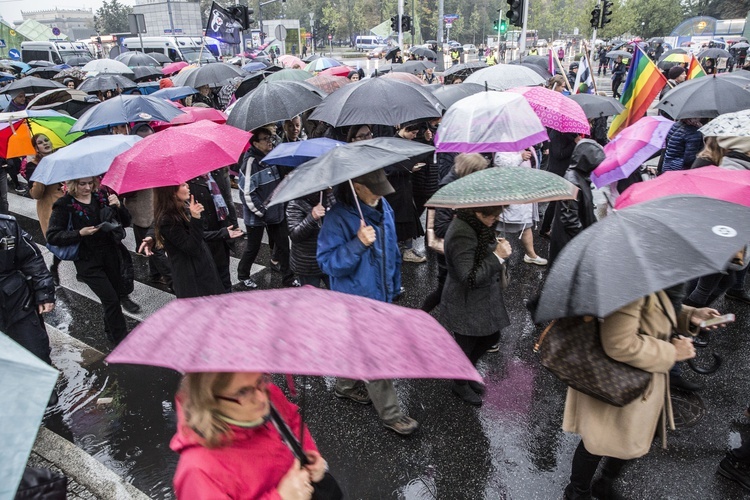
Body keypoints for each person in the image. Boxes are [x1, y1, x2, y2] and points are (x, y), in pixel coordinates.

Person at [562, 291, 721, 499]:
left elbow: (657, 309)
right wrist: (671, 352)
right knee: (598, 438)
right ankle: (578, 492)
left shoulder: (653, 272)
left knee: (638, 432)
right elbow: (618, 343)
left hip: (643, 377)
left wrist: (690, 315)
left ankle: (604, 483)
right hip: (618, 377)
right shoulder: (630, 282)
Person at [317, 170, 419, 436]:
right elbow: (327, 262)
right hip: (354, 301)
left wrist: (395, 286)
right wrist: (358, 244)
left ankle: (346, 386)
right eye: (374, 188)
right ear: (357, 187)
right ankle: (392, 414)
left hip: (381, 294)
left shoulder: (383, 206)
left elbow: (392, 251)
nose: (381, 194)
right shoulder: (337, 217)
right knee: (376, 356)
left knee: (355, 346)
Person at [170, 371, 327, 498]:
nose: (261, 398)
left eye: (260, 380)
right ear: (209, 400)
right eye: (243, 392)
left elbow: (292, 420)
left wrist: (308, 454)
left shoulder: (267, 394)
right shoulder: (198, 472)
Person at [46, 177, 134, 344]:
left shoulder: (101, 196)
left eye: (90, 183)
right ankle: (121, 340)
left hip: (110, 256)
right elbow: (52, 236)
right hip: (88, 262)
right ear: (73, 184)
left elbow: (126, 221)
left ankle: (111, 331)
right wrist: (79, 233)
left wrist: (118, 206)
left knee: (114, 297)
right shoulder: (64, 205)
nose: (87, 187)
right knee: (111, 300)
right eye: (82, 184)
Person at [440, 204, 512, 406]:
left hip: (482, 297)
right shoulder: (461, 233)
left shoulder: (477, 223)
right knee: (466, 344)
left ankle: (467, 372)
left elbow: (478, 253)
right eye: (492, 217)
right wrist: (497, 255)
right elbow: (469, 277)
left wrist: (493, 245)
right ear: (479, 213)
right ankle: (460, 383)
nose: (494, 220)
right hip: (465, 299)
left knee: (491, 336)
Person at [422, 154, 490, 313]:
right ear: (470, 172)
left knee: (455, 290)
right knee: (444, 289)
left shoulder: (465, 184)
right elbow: (440, 227)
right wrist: (469, 226)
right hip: (450, 251)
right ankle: (421, 315)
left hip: (462, 248)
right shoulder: (448, 189)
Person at [153, 183, 240, 298]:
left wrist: (222, 233)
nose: (188, 186)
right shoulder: (167, 219)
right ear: (172, 193)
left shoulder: (181, 207)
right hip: (191, 276)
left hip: (201, 268)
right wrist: (195, 218)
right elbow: (191, 246)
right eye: (183, 185)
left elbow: (198, 236)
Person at [237, 127, 299, 288]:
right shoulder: (250, 162)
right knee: (253, 247)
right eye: (265, 139)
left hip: (276, 212)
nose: (270, 141)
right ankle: (243, 275)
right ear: (256, 143)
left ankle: (288, 277)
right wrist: (262, 212)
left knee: (284, 245)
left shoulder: (272, 156)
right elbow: (246, 194)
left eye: (270, 137)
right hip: (257, 216)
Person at [0, 215, 55, 365]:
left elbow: (31, 258)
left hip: (18, 303)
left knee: (37, 354)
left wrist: (44, 292)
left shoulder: (7, 226)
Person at [549, 139, 605, 264]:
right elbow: (569, 219)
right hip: (569, 243)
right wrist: (583, 241)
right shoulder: (573, 181)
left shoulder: (581, 177)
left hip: (575, 241)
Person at [493, 149, 547, 266]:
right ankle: (490, 252)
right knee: (496, 225)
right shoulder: (504, 143)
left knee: (526, 225)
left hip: (522, 193)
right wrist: (520, 157)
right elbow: (500, 162)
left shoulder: (523, 144)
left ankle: (531, 255)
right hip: (510, 193)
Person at [385, 123, 427, 263]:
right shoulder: (391, 144)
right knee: (399, 220)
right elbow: (387, 168)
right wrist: (409, 169)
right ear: (405, 129)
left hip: (404, 187)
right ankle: (402, 251)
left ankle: (405, 250)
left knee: (406, 218)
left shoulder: (404, 142)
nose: (414, 136)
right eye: (413, 133)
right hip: (395, 189)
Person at [27, 133, 63, 286]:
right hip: (49, 207)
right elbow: (36, 194)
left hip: (67, 203)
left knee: (76, 236)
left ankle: (82, 269)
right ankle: (54, 268)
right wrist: (41, 171)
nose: (45, 144)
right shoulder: (32, 166)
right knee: (58, 241)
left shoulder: (60, 158)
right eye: (40, 143)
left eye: (46, 140)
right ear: (36, 148)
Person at [287, 191, 331, 288]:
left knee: (337, 296)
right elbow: (295, 235)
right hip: (308, 264)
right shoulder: (296, 203)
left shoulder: (329, 196)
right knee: (310, 299)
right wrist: (312, 217)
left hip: (329, 258)